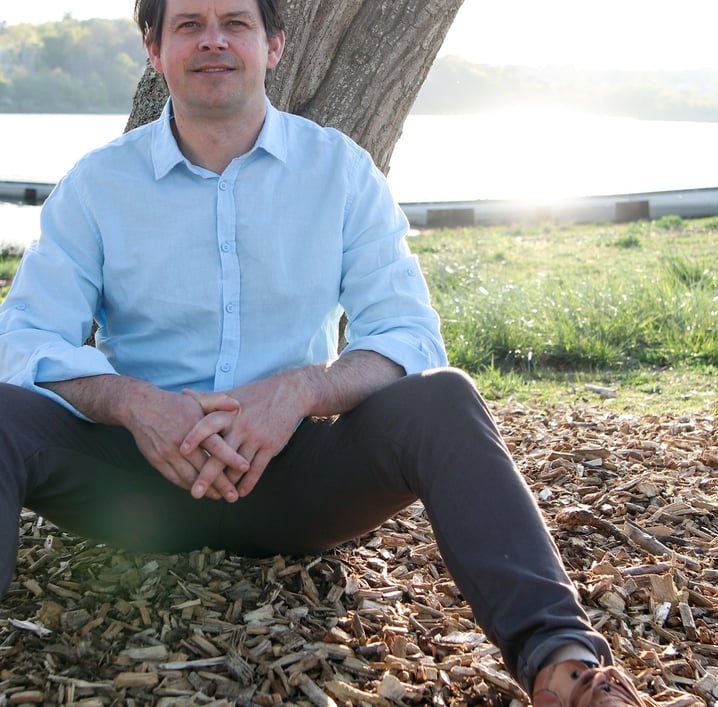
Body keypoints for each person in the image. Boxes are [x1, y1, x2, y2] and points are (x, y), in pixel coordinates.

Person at [0, 1, 653, 704]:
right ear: (155, 52)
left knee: (443, 396)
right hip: (134, 478)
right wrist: (134, 403)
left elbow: (408, 335)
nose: (213, 40)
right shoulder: (98, 186)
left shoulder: (339, 172)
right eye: (188, 24)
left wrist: (300, 391)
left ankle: (562, 665)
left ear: (274, 46)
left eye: (235, 23)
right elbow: (24, 338)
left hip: (297, 478)